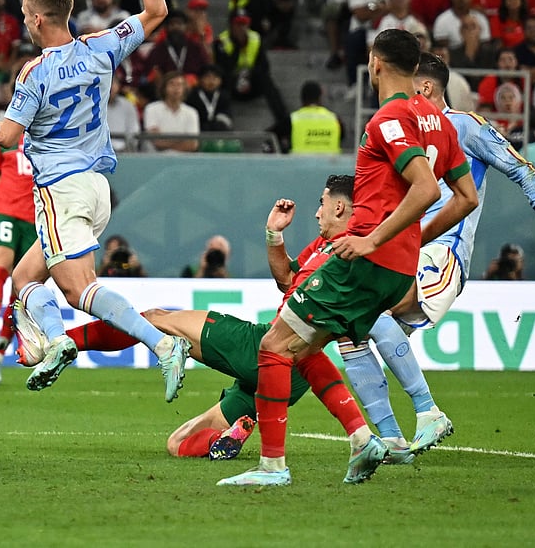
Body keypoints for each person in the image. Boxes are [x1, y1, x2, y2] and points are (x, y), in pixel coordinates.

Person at [218, 29, 474, 487]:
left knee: (273, 346)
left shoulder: (389, 119)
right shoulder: (438, 120)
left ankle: (272, 468)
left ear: (375, 63)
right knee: (307, 349)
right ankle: (363, 441)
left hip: (365, 261)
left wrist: (373, 240)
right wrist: (412, 243)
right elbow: (465, 197)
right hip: (397, 271)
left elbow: (427, 189)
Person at [18, 176, 363, 461]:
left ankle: (62, 343)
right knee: (179, 444)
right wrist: (274, 235)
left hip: (264, 347)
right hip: (293, 373)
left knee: (155, 319)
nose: (317, 212)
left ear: (339, 206)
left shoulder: (353, 252)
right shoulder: (324, 246)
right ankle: (230, 436)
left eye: (322, 202)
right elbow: (286, 280)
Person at [0, 0, 191, 400]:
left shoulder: (33, 72)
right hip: (97, 187)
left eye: (24, 17)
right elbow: (157, 11)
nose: (24, 24)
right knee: (23, 278)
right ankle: (56, 341)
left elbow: (10, 137)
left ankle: (162, 345)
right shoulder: (101, 46)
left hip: (60, 189)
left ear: (38, 19)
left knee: (80, 292)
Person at [342, 52, 535, 455]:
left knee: (371, 310)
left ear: (426, 87)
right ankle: (393, 439)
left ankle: (429, 411)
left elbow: (522, 168)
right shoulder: (403, 128)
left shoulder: (464, 126)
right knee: (352, 330)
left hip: (440, 253)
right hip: (404, 251)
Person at [0, 129, 37, 386]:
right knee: (0, 268)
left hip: (35, 218)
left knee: (21, 287)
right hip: (6, 210)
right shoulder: (6, 133)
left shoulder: (50, 131)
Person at [289, 80, 342, 154]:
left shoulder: (292, 119)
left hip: (301, 164)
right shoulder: (335, 118)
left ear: (302, 98)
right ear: (320, 97)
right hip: (330, 164)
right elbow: (342, 137)